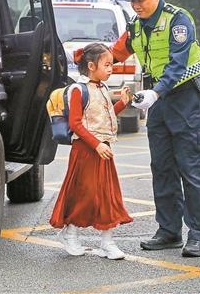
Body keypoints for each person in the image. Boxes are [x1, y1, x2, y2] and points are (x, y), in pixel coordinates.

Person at [109, 0, 200, 258]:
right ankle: (169, 231)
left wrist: (155, 93)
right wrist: (83, 64)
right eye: (132, 1)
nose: (136, 5)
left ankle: (197, 235)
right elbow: (114, 54)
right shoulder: (135, 26)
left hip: (189, 101)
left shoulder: (178, 20)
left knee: (191, 169)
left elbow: (178, 65)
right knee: (162, 168)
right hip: (159, 102)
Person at [49, 43, 133, 259]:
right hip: (86, 150)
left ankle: (107, 242)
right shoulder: (78, 90)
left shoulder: (102, 88)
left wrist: (122, 103)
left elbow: (105, 117)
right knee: (83, 195)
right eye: (107, 65)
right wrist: (96, 145)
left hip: (103, 149)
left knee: (107, 195)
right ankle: (70, 234)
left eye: (111, 64)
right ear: (91, 66)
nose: (111, 68)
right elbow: (75, 124)